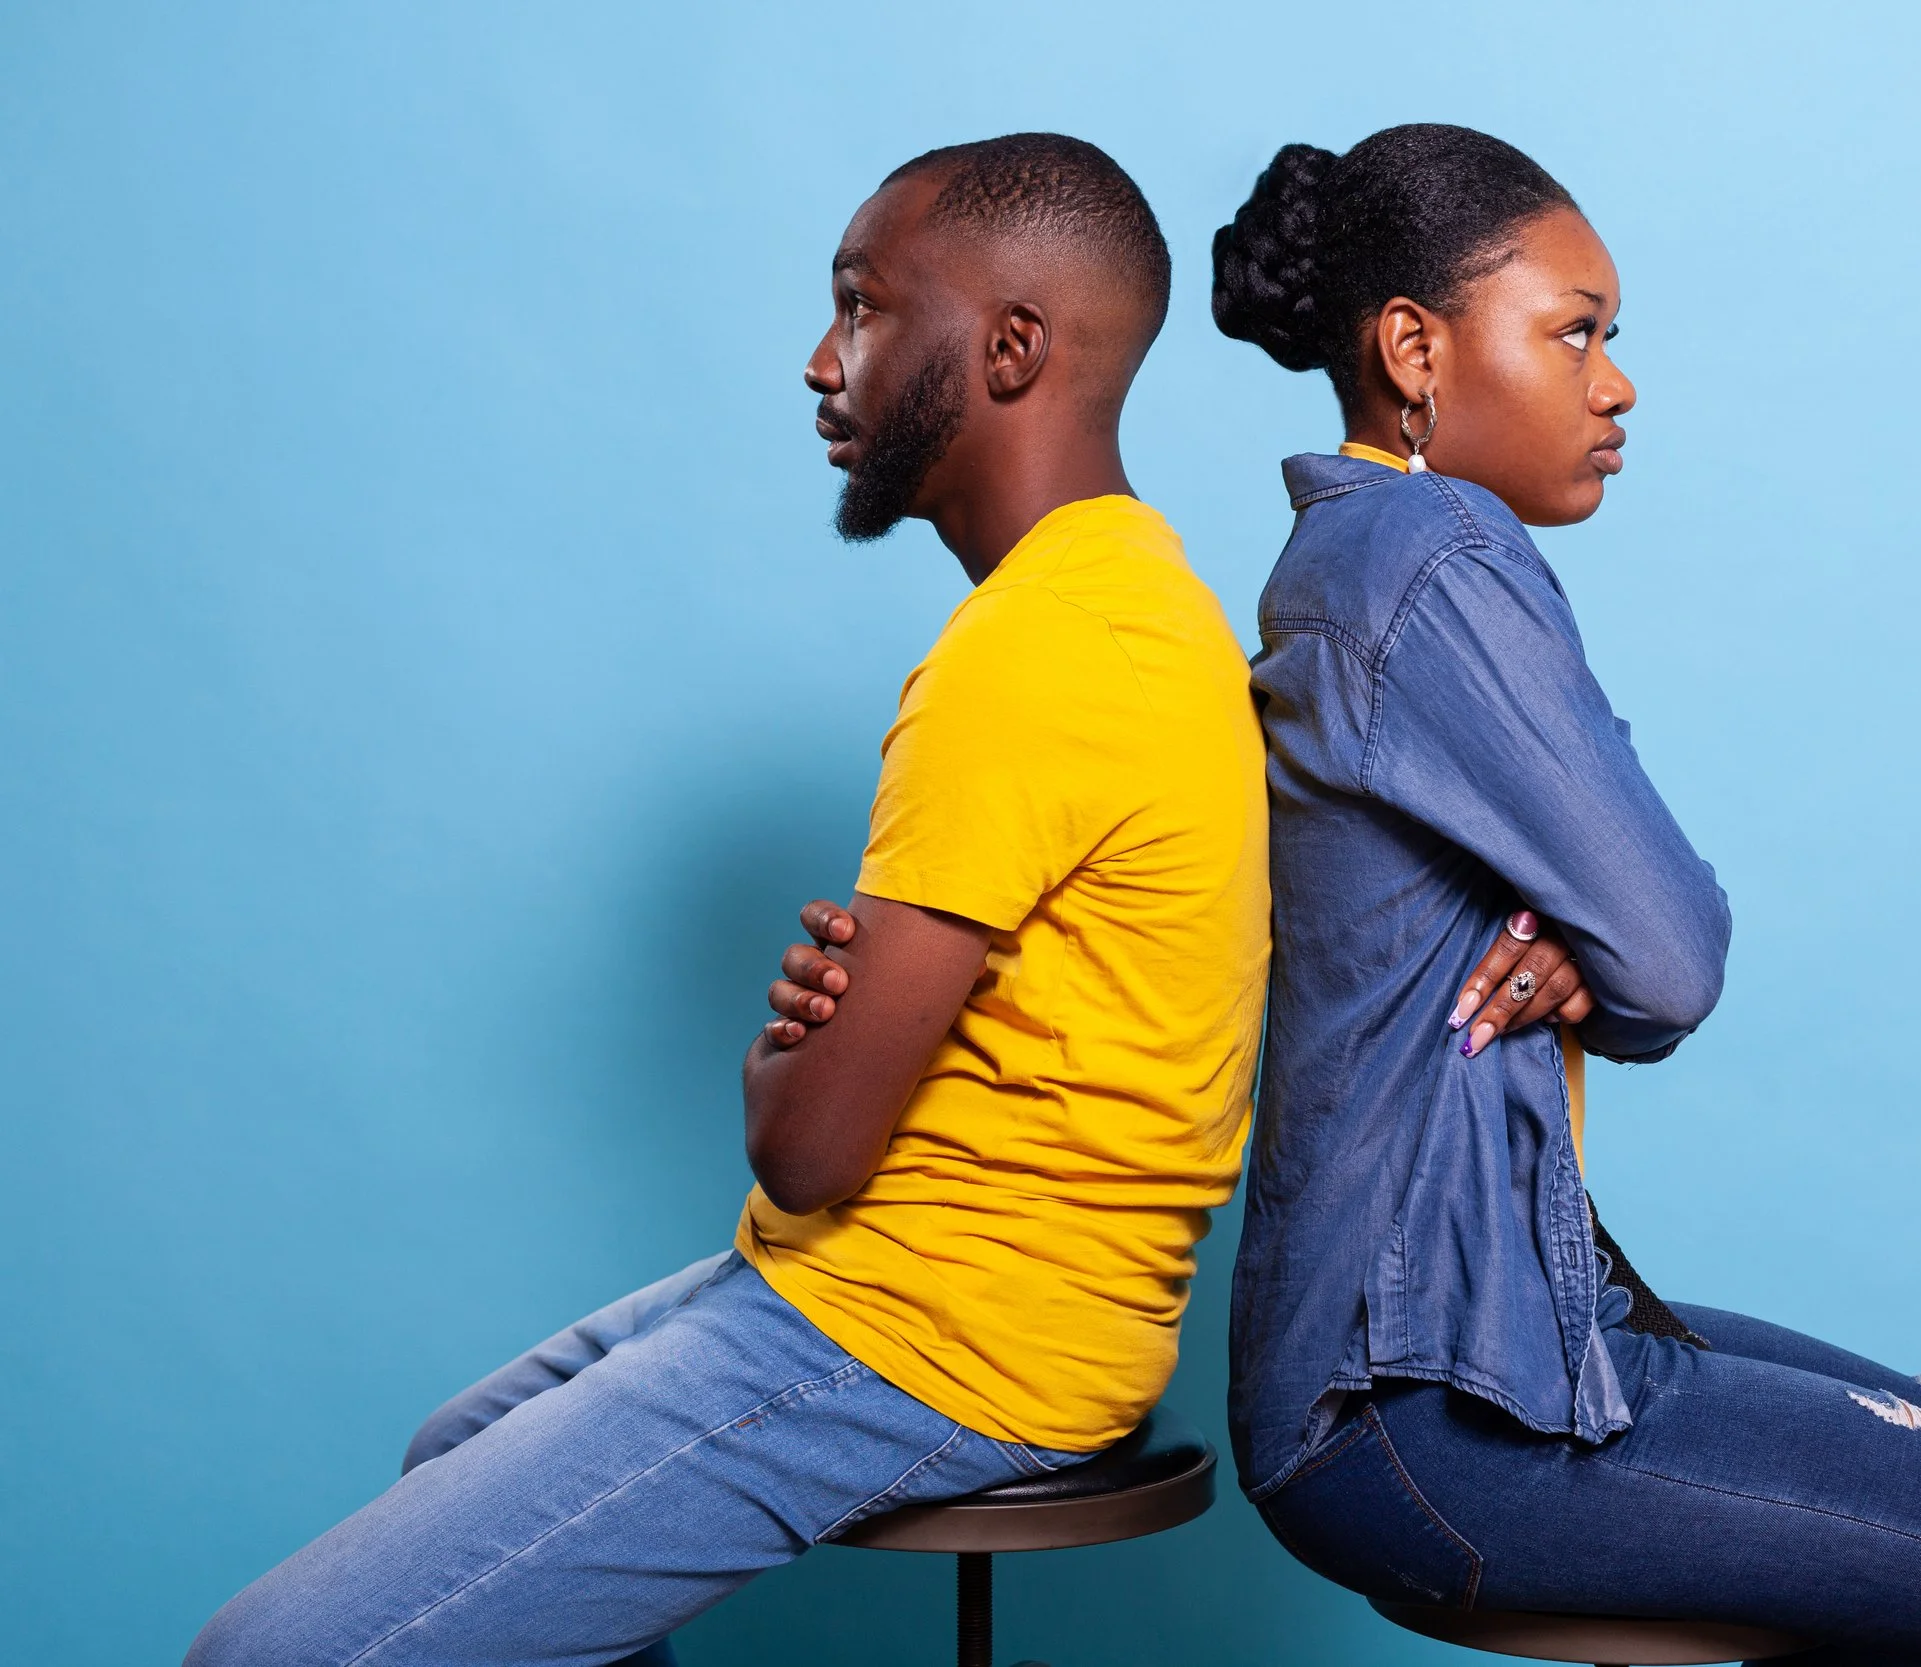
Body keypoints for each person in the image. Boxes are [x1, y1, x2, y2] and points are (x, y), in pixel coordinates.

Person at [187, 132, 1269, 1667]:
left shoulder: (1033, 657)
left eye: (866, 306)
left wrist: (784, 1053)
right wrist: (838, 1039)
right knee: (455, 1449)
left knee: (264, 1657)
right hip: (958, 1292)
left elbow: (814, 1145)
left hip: (945, 1335)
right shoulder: (1141, 599)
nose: (824, 362)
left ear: (1013, 347)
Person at [1213, 124, 1921, 1667]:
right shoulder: (1431, 549)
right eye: (1577, 331)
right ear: (1414, 347)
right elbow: (1670, 947)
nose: (1617, 383)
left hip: (1464, 1337)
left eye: (1614, 339)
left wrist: (1569, 939)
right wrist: (1594, 941)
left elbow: (1623, 928)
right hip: (1417, 1397)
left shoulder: (1350, 555)